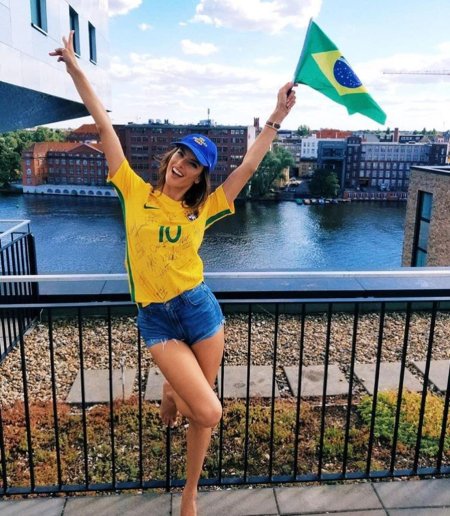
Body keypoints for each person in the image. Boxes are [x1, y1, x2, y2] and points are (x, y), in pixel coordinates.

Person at [50, 31, 296, 516]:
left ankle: (189, 495)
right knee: (206, 408)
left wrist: (277, 115)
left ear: (201, 176)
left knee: (198, 416)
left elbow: (248, 166)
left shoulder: (202, 209)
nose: (183, 164)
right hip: (158, 318)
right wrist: (76, 68)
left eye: (194, 164)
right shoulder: (133, 191)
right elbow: (104, 125)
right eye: (181, 155)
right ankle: (172, 389)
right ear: (171, 158)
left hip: (200, 311)